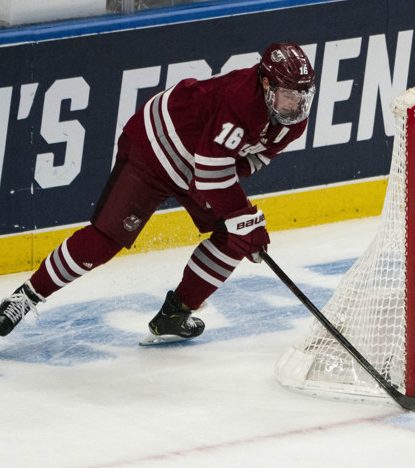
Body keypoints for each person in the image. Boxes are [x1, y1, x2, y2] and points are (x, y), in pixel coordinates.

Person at [0, 42, 316, 343]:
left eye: (302, 94)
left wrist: (240, 220)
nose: (295, 104)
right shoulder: (239, 100)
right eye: (288, 94)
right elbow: (210, 173)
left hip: (200, 165)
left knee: (234, 237)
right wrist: (244, 216)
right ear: (264, 83)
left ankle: (174, 314)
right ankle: (26, 296)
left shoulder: (293, 122)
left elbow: (249, 160)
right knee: (107, 238)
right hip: (155, 147)